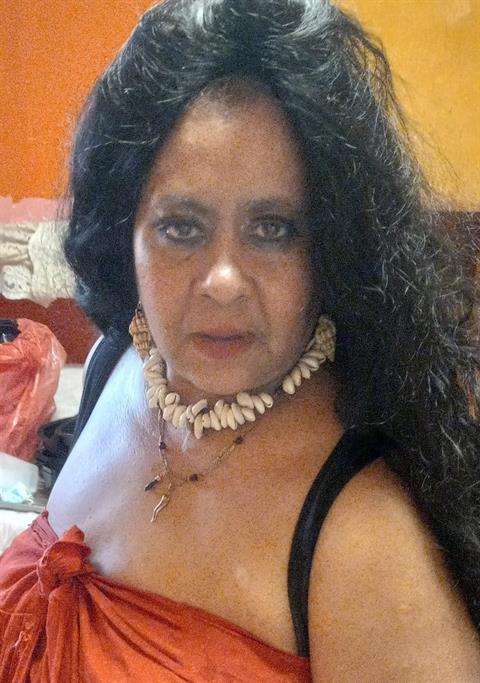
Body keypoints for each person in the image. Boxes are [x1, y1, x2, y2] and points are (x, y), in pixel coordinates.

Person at [1, 0, 480, 680]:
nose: (223, 281)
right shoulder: (117, 363)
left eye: (274, 228)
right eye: (181, 227)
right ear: (124, 233)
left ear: (335, 249)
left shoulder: (366, 539)